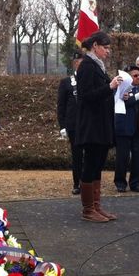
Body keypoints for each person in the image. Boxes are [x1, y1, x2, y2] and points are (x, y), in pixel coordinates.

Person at [75, 31, 124, 223]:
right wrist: (109, 87)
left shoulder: (98, 66)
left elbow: (101, 94)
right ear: (95, 46)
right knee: (90, 165)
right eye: (105, 47)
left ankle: (96, 206)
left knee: (97, 166)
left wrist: (118, 92)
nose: (108, 51)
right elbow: (86, 96)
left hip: (101, 124)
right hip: (92, 126)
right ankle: (88, 209)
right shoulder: (87, 66)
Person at [113, 65, 139, 193]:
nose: (138, 78)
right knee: (122, 158)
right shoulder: (120, 88)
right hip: (124, 128)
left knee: (138, 158)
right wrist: (135, 97)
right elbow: (121, 103)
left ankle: (136, 183)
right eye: (135, 75)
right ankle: (120, 182)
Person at [56, 51, 84, 195]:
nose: (80, 65)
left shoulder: (90, 81)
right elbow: (61, 106)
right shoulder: (66, 82)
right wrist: (62, 126)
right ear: (74, 64)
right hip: (73, 125)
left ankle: (88, 182)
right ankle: (77, 183)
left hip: (88, 124)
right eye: (78, 62)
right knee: (77, 155)